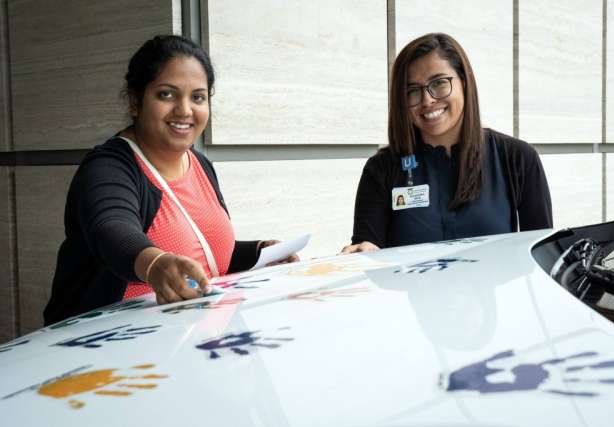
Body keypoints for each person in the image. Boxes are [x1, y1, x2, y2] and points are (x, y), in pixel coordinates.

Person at [44, 35, 297, 325]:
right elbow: (111, 229)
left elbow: (200, 252)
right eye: (167, 94)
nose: (185, 110)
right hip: (108, 350)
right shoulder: (109, 166)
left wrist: (259, 252)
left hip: (186, 342)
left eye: (197, 97)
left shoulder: (200, 164)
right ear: (134, 101)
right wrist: (154, 264)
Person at [342, 33, 552, 254]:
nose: (427, 100)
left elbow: (544, 256)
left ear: (463, 81)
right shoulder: (382, 168)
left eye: (439, 83)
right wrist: (362, 253)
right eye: (412, 91)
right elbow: (367, 249)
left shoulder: (516, 158)